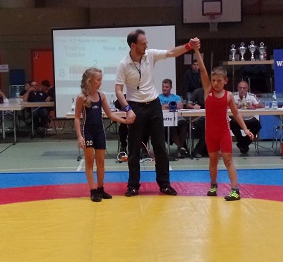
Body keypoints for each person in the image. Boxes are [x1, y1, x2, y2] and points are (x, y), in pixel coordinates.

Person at [114, 29, 200, 197]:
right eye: (143, 43)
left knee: (160, 146)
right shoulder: (123, 64)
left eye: (146, 42)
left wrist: (189, 46)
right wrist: (127, 109)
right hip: (135, 106)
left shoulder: (150, 55)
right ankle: (133, 186)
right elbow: (118, 90)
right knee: (134, 148)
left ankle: (164, 184)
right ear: (133, 45)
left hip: (154, 106)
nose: (146, 45)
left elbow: (172, 52)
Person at [194, 47, 254, 201]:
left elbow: (236, 114)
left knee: (228, 160)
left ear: (225, 81)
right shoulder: (208, 91)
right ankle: (213, 185)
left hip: (223, 133)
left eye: (219, 81)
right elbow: (202, 69)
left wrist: (246, 129)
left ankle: (235, 190)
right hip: (210, 134)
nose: (215, 83)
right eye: (213, 80)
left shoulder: (228, 96)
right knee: (213, 160)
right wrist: (196, 50)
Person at [75, 67, 128, 202]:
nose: (100, 82)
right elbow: (77, 118)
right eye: (98, 80)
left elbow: (110, 114)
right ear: (89, 81)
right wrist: (80, 136)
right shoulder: (82, 97)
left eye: (101, 80)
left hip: (99, 132)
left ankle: (100, 189)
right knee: (89, 161)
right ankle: (92, 191)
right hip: (88, 132)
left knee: (101, 162)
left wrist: (125, 121)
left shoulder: (101, 96)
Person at [157, 78, 190, 158]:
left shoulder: (176, 97)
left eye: (166, 87)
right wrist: (172, 105)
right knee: (170, 125)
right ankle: (181, 148)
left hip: (178, 118)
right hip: (165, 119)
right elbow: (159, 107)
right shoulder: (158, 97)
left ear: (170, 88)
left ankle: (180, 148)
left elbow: (180, 106)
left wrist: (166, 106)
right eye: (163, 87)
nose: (164, 88)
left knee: (184, 124)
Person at [230, 80, 263, 155]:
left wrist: (253, 106)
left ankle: (242, 144)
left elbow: (261, 105)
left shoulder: (252, 96)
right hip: (237, 119)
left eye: (244, 88)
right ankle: (243, 144)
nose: (242, 90)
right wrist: (237, 106)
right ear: (237, 88)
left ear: (247, 89)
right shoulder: (232, 96)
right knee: (232, 123)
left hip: (249, 118)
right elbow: (227, 106)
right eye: (240, 88)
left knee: (257, 125)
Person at [186, 86, 208, 157]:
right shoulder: (198, 91)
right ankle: (197, 150)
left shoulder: (216, 92)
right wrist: (193, 107)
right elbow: (188, 104)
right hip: (199, 118)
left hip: (212, 118)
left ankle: (205, 150)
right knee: (205, 131)